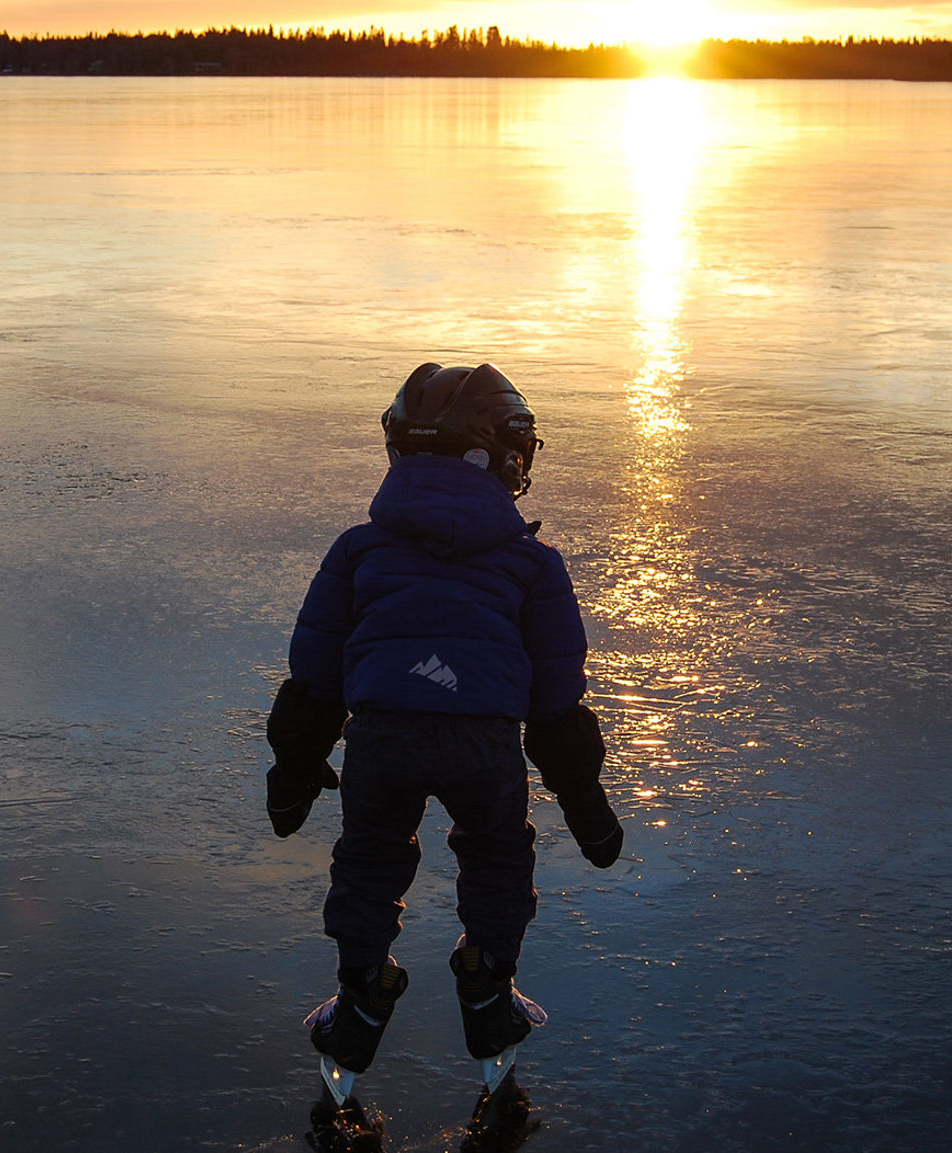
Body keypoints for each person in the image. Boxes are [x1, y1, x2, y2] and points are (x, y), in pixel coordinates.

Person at [264, 362, 624, 1146]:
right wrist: (589, 812)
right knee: (497, 856)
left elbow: (316, 678)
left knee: (369, 859)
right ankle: (487, 982)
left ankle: (361, 993)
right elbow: (557, 706)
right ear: (498, 461)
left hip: (382, 735)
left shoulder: (359, 550)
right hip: (483, 742)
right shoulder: (532, 564)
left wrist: (292, 780)